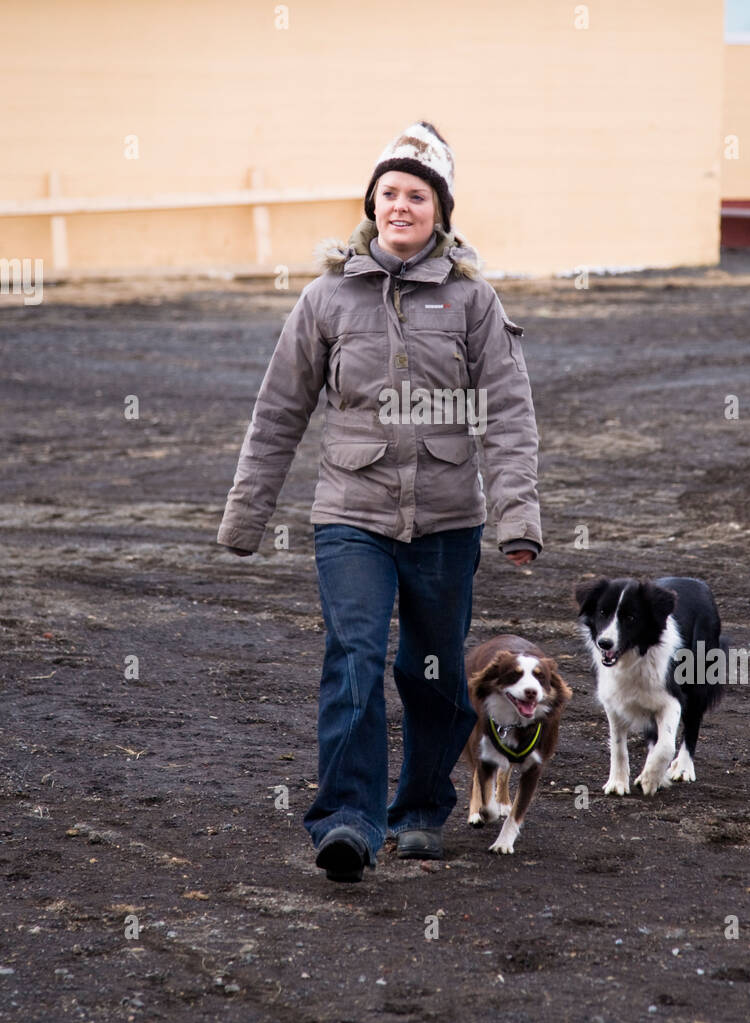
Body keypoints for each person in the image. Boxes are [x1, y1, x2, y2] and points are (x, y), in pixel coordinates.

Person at [217, 121, 541, 881]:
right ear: (371, 204)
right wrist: (246, 517)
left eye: (417, 196)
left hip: (446, 519)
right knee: (354, 660)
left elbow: (509, 415)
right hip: (350, 515)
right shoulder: (326, 298)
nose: (401, 206)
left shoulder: (473, 302)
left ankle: (421, 809)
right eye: (389, 193)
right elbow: (278, 411)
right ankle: (347, 823)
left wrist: (519, 519)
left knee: (430, 671)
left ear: (441, 211)